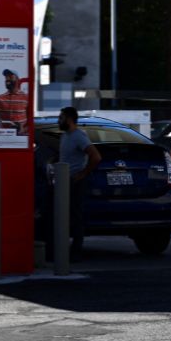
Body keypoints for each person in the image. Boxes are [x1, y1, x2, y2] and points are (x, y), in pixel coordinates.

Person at [56, 106, 101, 258]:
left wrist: (82, 174)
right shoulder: (65, 136)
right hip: (64, 181)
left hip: (75, 182)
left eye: (61, 118)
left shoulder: (78, 136)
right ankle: (63, 248)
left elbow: (95, 157)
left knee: (76, 216)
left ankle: (76, 251)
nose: (58, 120)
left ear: (69, 119)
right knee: (65, 215)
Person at [0, 69, 29, 134]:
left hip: (21, 137)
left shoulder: (26, 98)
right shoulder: (0, 98)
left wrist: (24, 130)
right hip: (4, 135)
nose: (7, 79)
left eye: (11, 77)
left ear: (17, 80)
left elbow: (31, 120)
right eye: (6, 77)